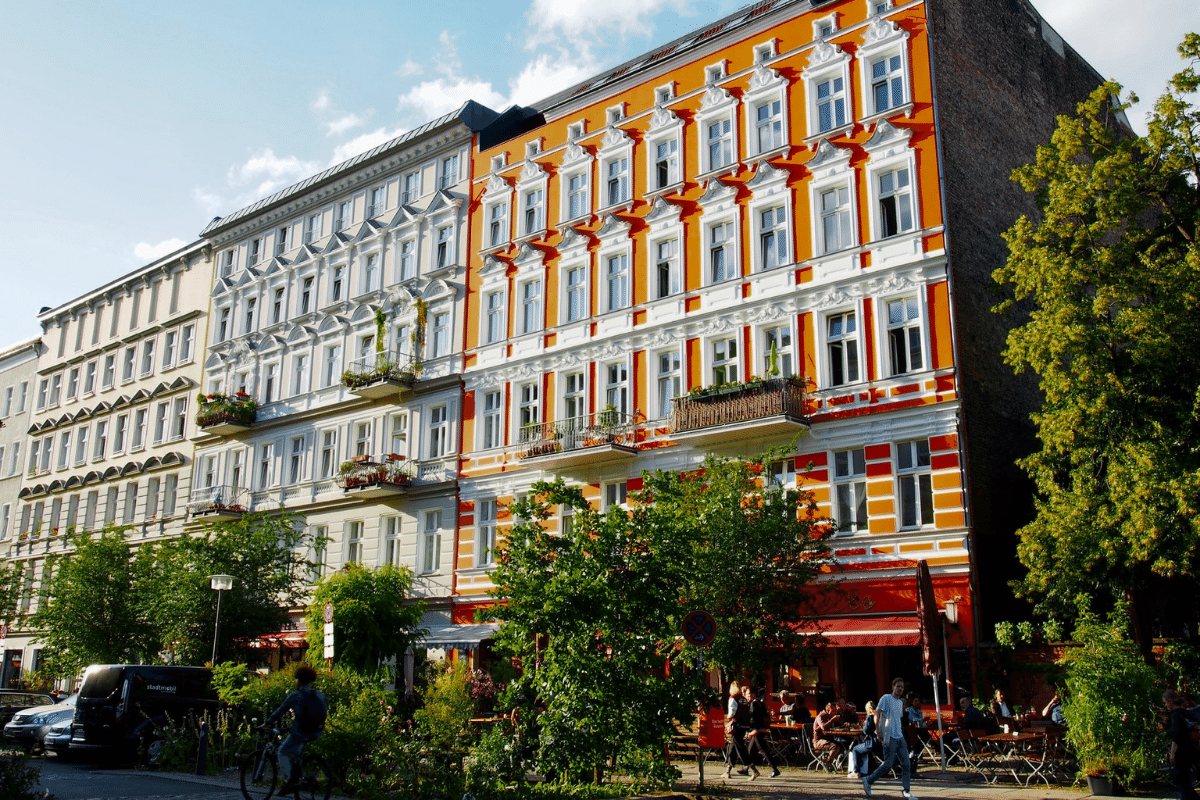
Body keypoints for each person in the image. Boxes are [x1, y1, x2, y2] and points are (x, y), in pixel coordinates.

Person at [263, 665, 328, 791]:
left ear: (299, 680)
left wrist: (267, 722)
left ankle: (289, 781)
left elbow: (280, 711)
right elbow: (324, 712)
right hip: (317, 731)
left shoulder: (296, 695)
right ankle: (304, 778)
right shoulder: (319, 695)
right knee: (296, 753)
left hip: (301, 731)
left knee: (282, 751)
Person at [862, 677, 919, 800]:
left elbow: (897, 719)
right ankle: (868, 780)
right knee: (888, 764)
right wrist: (878, 731)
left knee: (906, 764)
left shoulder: (900, 703)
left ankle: (906, 790)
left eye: (902, 687)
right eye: (898, 686)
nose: (900, 689)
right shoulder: (886, 698)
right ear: (893, 687)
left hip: (899, 736)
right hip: (889, 735)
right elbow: (877, 713)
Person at [1164, 690, 1199, 800]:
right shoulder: (1187, 713)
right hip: (1192, 750)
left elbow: (1177, 736)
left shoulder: (1175, 715)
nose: (1165, 706)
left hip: (1182, 752)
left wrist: (1172, 753)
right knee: (1185, 781)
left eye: (1165, 702)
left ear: (1170, 701)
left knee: (1178, 778)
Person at [743, 686, 780, 778]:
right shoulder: (761, 703)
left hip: (756, 730)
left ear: (753, 694)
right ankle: (746, 768)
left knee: (763, 750)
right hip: (762, 728)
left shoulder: (753, 704)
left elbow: (753, 718)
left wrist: (751, 730)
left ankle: (774, 769)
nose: (747, 697)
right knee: (750, 750)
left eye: (748, 694)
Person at [723, 682, 752, 780]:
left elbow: (732, 712)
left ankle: (752, 767)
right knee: (733, 747)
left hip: (737, 725)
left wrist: (729, 720)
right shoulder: (743, 699)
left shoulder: (733, 698)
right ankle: (728, 770)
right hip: (744, 725)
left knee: (739, 747)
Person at [848, 700, 880, 779]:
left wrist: (865, 724)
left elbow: (866, 731)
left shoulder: (870, 716)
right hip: (880, 743)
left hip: (872, 742)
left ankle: (856, 771)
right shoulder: (879, 716)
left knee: (855, 749)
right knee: (861, 748)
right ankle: (871, 768)